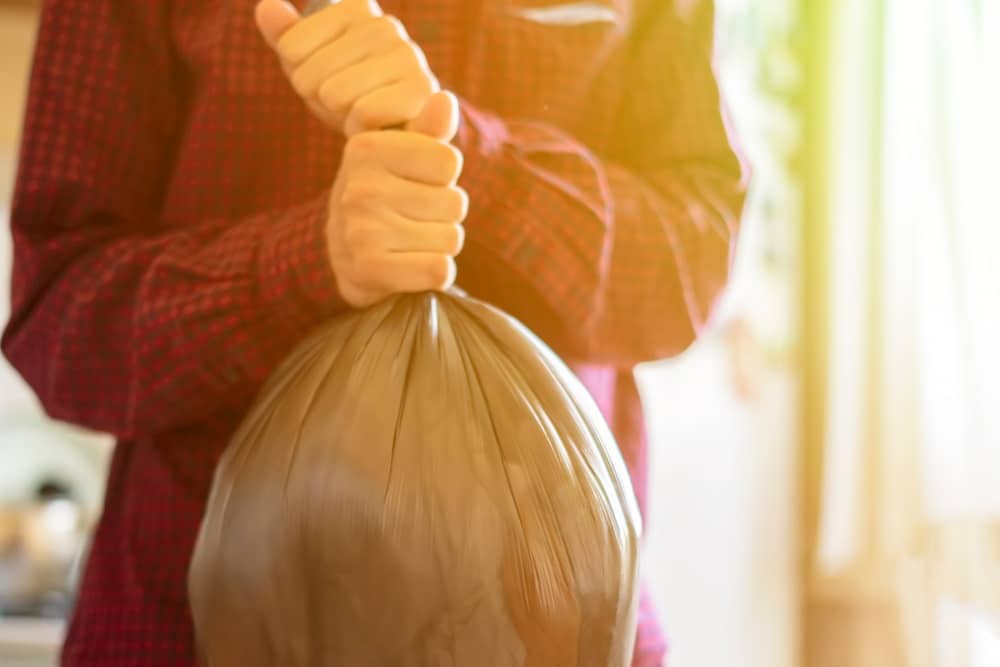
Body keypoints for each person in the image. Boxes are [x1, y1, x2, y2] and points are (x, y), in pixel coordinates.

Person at [2, 0, 747, 664]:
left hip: (552, 629)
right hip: (187, 626)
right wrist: (307, 264)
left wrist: (462, 154)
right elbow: (59, 325)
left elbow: (689, 270)